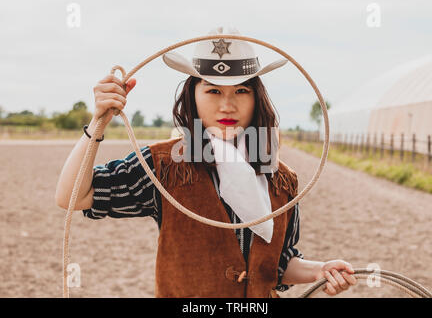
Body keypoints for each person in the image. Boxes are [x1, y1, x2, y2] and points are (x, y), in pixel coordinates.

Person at [55, 26, 357, 298]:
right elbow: (72, 196)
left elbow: (276, 264)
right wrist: (97, 122)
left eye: (241, 90)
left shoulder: (280, 178)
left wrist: (319, 270)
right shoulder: (163, 166)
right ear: (193, 95)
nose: (227, 104)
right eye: (213, 90)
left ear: (257, 97)